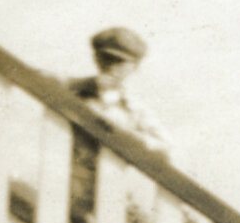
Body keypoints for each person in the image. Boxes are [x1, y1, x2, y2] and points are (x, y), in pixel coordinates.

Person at [68, 26, 170, 156]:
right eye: (107, 58)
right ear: (96, 58)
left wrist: (127, 136)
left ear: (135, 67)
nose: (112, 66)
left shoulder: (135, 110)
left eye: (120, 61)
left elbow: (164, 145)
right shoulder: (69, 90)